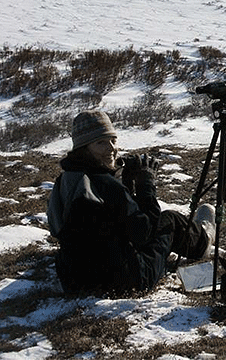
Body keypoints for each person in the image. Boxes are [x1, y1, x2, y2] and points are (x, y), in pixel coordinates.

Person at [47, 109, 216, 297]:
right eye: (101, 143)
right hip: (127, 281)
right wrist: (146, 185)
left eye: (113, 140)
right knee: (170, 220)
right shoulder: (105, 185)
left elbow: (113, 222)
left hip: (75, 281)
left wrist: (125, 182)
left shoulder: (67, 180)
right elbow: (144, 232)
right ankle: (204, 242)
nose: (111, 148)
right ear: (84, 149)